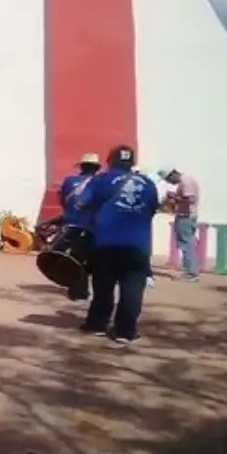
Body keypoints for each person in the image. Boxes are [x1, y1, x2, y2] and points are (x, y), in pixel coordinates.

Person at [78, 145, 159, 344]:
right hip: (138, 245)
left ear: (110, 161)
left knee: (103, 287)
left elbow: (81, 202)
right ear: (132, 163)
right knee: (132, 289)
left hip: (106, 242)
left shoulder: (101, 180)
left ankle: (97, 324)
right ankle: (125, 330)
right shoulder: (148, 184)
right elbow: (152, 208)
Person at [57, 153, 102, 300]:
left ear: (81, 166)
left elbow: (62, 200)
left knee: (74, 257)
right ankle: (84, 289)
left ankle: (76, 287)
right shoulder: (100, 182)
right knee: (90, 259)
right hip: (91, 226)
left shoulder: (69, 181)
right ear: (96, 168)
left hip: (70, 223)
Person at [159, 167, 201, 281]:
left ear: (173, 174)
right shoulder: (186, 181)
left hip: (186, 216)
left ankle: (191, 273)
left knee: (185, 243)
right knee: (187, 243)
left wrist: (175, 198)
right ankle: (192, 270)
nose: (170, 182)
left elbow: (191, 199)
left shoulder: (186, 181)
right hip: (186, 215)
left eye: (169, 179)